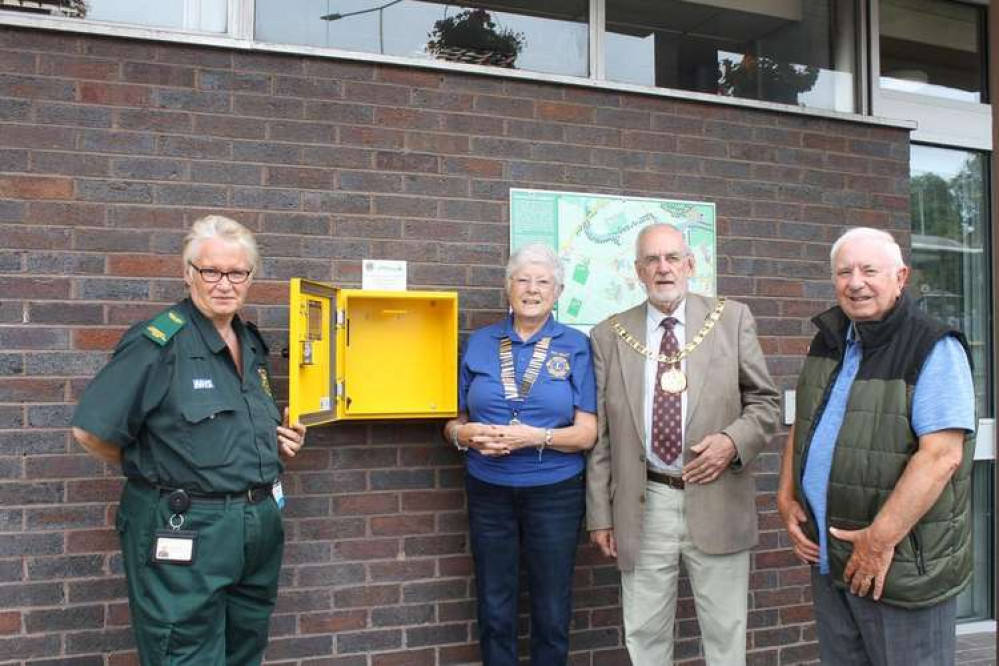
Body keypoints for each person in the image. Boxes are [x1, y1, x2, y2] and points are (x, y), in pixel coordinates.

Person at [71, 215, 306, 666]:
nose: (224, 284)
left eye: (237, 273)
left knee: (245, 649)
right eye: (210, 271)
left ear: (250, 277)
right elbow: (90, 432)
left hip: (257, 522)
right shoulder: (158, 343)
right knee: (183, 653)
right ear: (188, 273)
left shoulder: (250, 343)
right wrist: (157, 467)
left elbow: (227, 428)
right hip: (185, 525)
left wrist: (273, 444)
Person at [777, 227, 975, 665]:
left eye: (869, 270)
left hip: (899, 566)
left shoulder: (932, 345)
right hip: (833, 557)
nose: (855, 282)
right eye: (844, 271)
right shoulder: (828, 338)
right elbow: (807, 418)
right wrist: (787, 492)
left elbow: (942, 456)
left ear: (900, 277)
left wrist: (878, 541)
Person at [586, 223, 779, 666]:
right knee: (645, 633)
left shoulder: (732, 319)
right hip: (644, 502)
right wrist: (600, 513)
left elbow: (765, 403)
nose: (663, 268)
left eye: (673, 257)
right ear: (637, 270)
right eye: (652, 260)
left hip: (717, 498)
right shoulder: (609, 335)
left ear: (691, 264)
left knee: (726, 634)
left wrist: (732, 442)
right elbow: (602, 436)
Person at [442, 243, 597, 666]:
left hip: (554, 493)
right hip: (488, 490)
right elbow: (452, 422)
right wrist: (466, 434)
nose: (532, 289)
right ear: (507, 287)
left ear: (558, 291)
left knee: (550, 606)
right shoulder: (479, 343)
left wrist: (533, 437)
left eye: (543, 281)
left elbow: (587, 434)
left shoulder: (576, 345)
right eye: (522, 280)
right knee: (494, 602)